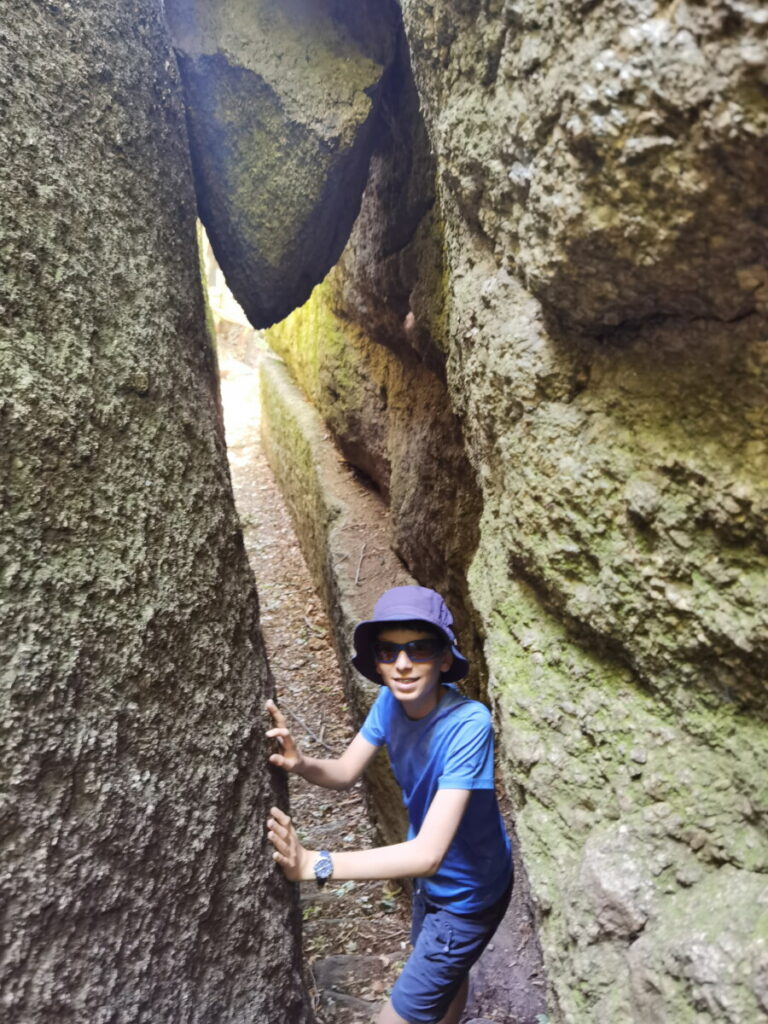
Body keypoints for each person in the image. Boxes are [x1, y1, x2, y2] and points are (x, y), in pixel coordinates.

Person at [265, 585, 513, 1024]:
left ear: (443, 658)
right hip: (435, 887)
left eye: (419, 649)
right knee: (449, 976)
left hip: (467, 896)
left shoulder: (469, 724)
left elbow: (426, 854)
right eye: (388, 650)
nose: (401, 664)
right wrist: (301, 762)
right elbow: (344, 773)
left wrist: (315, 864)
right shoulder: (389, 704)